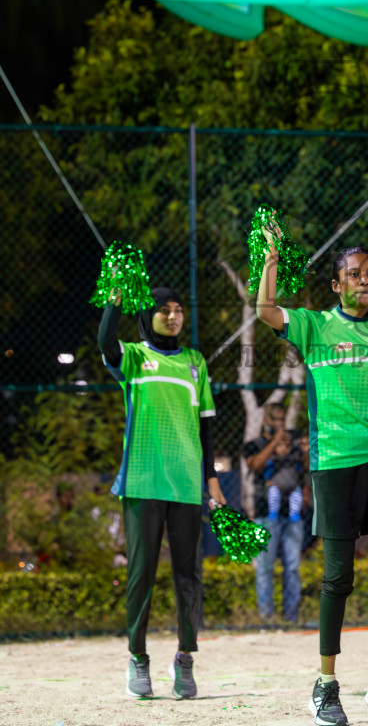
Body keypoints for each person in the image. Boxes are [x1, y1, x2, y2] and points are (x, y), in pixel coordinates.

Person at [257, 236, 368, 726]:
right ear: (336, 285)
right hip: (333, 462)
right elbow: (266, 310)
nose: (365, 280)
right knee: (339, 578)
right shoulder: (315, 325)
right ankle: (326, 685)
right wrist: (271, 260)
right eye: (354, 274)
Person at [98, 286, 226, 700]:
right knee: (141, 576)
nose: (173, 317)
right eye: (163, 311)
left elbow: (206, 428)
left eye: (178, 310)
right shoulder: (134, 356)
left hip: (187, 484)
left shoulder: (194, 363)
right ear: (147, 316)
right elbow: (104, 343)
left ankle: (185, 659)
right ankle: (138, 657)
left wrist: (211, 480)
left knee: (188, 576)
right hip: (141, 480)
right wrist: (114, 302)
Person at [243, 403, 307, 623]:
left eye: (282, 420)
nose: (280, 425)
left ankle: (291, 616)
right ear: (265, 421)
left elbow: (306, 469)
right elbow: (255, 466)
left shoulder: (291, 444)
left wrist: (303, 450)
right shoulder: (254, 445)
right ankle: (266, 617)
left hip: (293, 514)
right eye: (275, 420)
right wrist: (274, 443)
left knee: (292, 567)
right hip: (264, 513)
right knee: (265, 567)